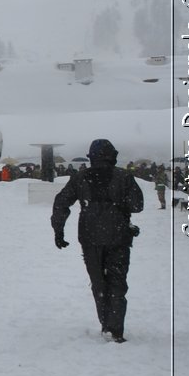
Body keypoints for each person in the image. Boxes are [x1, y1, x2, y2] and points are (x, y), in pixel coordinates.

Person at [51, 138, 144, 342]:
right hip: (118, 236)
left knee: (98, 283)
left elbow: (61, 202)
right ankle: (116, 328)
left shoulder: (80, 177)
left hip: (90, 236)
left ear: (91, 157)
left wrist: (59, 230)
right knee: (117, 283)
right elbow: (137, 205)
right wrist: (118, 204)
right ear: (112, 156)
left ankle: (106, 324)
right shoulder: (124, 177)